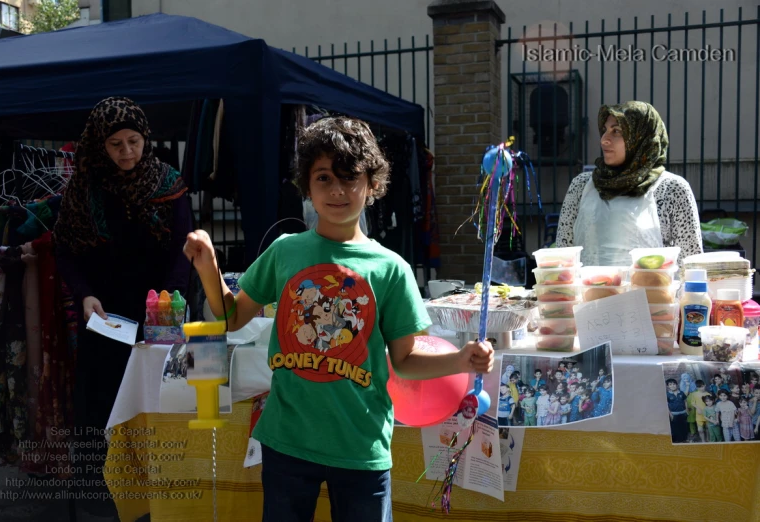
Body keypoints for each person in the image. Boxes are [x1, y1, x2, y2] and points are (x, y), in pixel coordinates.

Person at [183, 117, 493, 522]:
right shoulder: (284, 251)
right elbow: (230, 318)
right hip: (287, 441)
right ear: (307, 185)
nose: (337, 190)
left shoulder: (391, 269)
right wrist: (209, 270)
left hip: (360, 447)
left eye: (349, 177)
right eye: (324, 177)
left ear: (373, 184)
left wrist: (460, 361)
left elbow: (404, 360)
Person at [54, 97, 191, 515]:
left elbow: (184, 251)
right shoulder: (83, 188)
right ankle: (103, 501)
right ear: (99, 145)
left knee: (157, 403)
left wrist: (167, 305)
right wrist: (84, 293)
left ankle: (159, 498)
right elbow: (65, 250)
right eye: (116, 144)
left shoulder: (168, 184)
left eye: (134, 141)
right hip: (105, 318)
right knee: (102, 408)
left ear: (145, 139)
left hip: (159, 313)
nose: (127, 152)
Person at [556, 101, 703, 266]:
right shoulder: (581, 186)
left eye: (616, 131)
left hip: (653, 292)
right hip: (589, 291)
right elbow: (563, 258)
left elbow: (692, 267)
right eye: (604, 130)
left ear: (641, 137)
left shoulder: (672, 189)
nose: (604, 140)